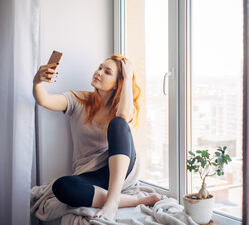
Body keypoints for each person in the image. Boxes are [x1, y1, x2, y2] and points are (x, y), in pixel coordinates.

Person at [32, 54, 160, 220]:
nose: (98, 72)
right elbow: (44, 100)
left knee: (118, 123)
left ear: (117, 84)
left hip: (120, 171)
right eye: (100, 67)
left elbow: (123, 115)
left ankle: (112, 202)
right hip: (89, 175)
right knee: (61, 186)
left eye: (107, 72)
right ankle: (136, 200)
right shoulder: (78, 100)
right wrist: (37, 82)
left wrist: (127, 79)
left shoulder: (124, 107)